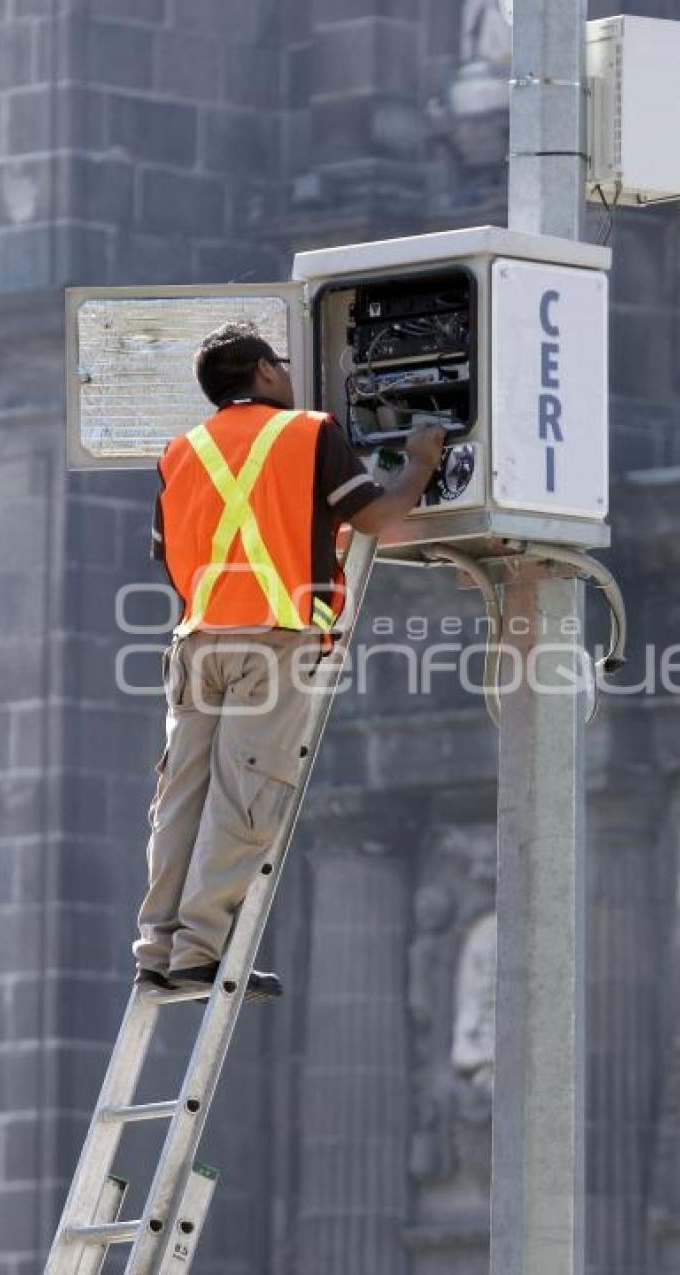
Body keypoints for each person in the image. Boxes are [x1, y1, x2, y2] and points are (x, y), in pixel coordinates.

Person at [132, 320, 446, 1000]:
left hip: (196, 642)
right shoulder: (310, 432)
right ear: (265, 373)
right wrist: (421, 461)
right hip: (271, 639)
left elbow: (166, 551)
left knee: (181, 793)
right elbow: (378, 521)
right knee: (248, 789)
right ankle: (200, 947)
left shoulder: (180, 450)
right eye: (280, 362)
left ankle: (158, 944)